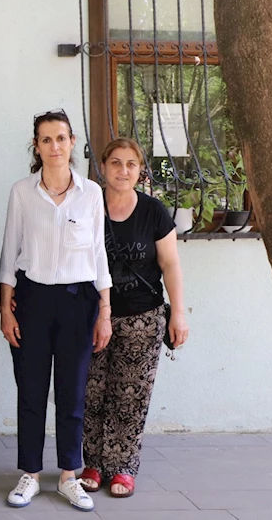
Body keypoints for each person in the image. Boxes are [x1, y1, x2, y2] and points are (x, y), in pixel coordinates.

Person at [0, 110, 112, 513]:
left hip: (79, 302)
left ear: (72, 141)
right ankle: (30, 473)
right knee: (31, 391)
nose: (54, 146)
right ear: (36, 146)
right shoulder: (22, 192)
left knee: (72, 392)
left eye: (61, 138)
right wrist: (5, 308)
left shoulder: (91, 193)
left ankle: (68, 476)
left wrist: (104, 311)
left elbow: (99, 254)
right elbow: (9, 252)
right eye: (46, 139)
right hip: (31, 301)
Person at [78, 138, 189, 498]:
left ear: (140, 170)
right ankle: (93, 463)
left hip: (143, 317)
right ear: (103, 168)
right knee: (91, 393)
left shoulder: (153, 211)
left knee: (130, 396)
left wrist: (179, 313)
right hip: (92, 317)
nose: (123, 170)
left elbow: (170, 264)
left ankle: (123, 467)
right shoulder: (89, 206)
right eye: (115, 163)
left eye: (131, 164)